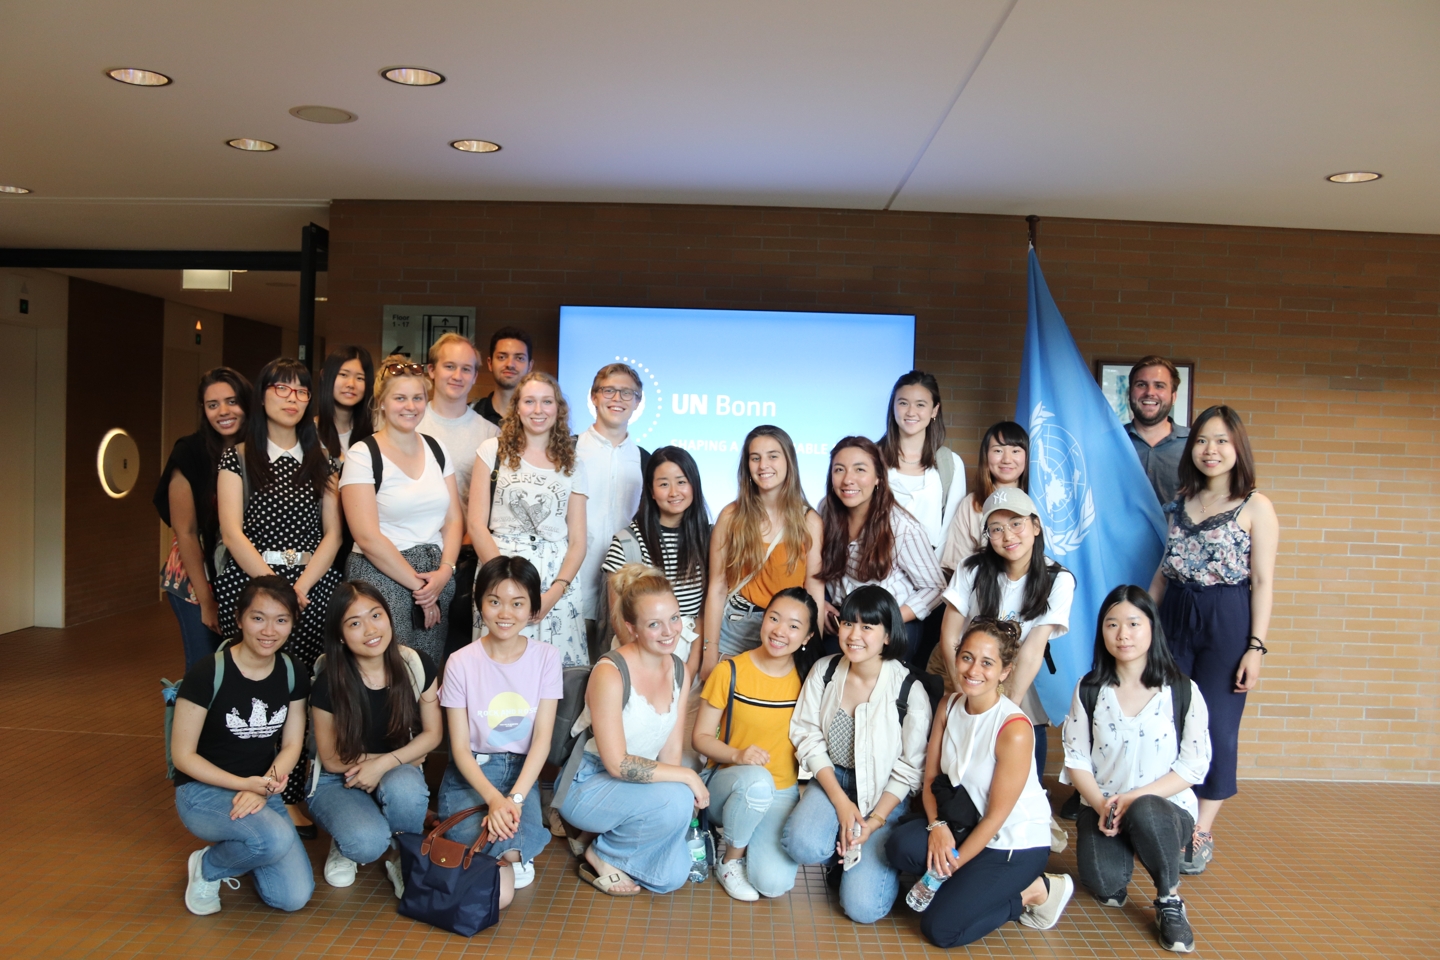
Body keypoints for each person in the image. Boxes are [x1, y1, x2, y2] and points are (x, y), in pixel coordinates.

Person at [887, 619, 1073, 947]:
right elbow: (931, 778)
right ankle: (966, 885)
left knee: (940, 930)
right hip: (962, 822)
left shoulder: (1013, 728)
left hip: (1011, 842)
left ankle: (1034, 892)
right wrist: (937, 827)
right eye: (967, 657)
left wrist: (946, 867)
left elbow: (995, 820)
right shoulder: (950, 704)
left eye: (988, 663)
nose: (974, 670)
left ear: (1004, 671)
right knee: (901, 847)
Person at [213, 358, 343, 820]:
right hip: (253, 588)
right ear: (263, 395)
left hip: (313, 589)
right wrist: (275, 594)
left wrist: (301, 587)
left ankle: (293, 794)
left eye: (301, 391)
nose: (292, 398)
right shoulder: (239, 455)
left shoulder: (324, 457)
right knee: (256, 689)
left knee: (301, 690)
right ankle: (250, 784)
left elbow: (333, 534)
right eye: (282, 389)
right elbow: (231, 532)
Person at [1150, 405, 1277, 875]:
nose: (1211, 449)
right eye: (1202, 440)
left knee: (1217, 725)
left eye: (1221, 440)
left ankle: (1201, 828)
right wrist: (1141, 618)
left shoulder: (1256, 507)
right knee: (1168, 717)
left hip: (1227, 618)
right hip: (1175, 613)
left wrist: (1255, 647)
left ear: (1237, 448)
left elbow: (1262, 581)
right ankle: (1165, 814)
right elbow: (1164, 569)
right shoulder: (1180, 501)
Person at [1062, 585, 1212, 954]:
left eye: (1133, 623)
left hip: (1163, 808)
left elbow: (1193, 766)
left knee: (1145, 810)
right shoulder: (1090, 688)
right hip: (1104, 808)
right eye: (1112, 624)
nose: (1123, 634)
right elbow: (1077, 758)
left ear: (1152, 628)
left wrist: (1132, 798)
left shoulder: (1181, 690)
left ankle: (1169, 898)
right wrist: (1099, 804)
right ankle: (1127, 847)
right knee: (1106, 888)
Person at [782, 585, 930, 924]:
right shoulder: (826, 670)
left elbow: (910, 769)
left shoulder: (909, 689)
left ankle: (866, 857)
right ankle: (841, 844)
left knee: (863, 910)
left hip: (882, 796)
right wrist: (841, 802)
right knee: (801, 844)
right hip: (833, 779)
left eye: (867, 627)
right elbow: (805, 733)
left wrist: (874, 820)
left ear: (889, 635)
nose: (854, 635)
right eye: (848, 623)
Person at [559, 565, 708, 895]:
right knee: (677, 796)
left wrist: (683, 783)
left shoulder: (680, 670)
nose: (669, 631)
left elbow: (670, 753)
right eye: (654, 624)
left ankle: (605, 840)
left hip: (638, 788)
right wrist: (688, 779)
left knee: (671, 877)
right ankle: (601, 852)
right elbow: (617, 764)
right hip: (588, 783)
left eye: (674, 618)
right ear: (632, 627)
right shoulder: (610, 672)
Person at [170, 577, 313, 915]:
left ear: (292, 623)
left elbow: (292, 743)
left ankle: (252, 842)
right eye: (258, 618)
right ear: (239, 619)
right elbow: (183, 756)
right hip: (203, 792)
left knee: (292, 898)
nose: (269, 631)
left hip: (259, 787)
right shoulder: (208, 672)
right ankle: (208, 867)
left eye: (282, 620)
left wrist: (264, 785)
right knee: (273, 839)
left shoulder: (292, 670)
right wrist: (245, 785)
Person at [930, 488, 1073, 785]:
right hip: (964, 663)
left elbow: (1033, 649)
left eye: (1016, 523)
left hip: (1015, 666)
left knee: (1021, 722)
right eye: (996, 529)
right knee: (953, 733)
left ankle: (1026, 793)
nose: (1008, 536)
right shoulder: (972, 568)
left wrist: (1005, 709)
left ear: (1035, 526)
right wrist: (962, 692)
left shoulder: (1058, 579)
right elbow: (949, 634)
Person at [308, 581, 443, 895]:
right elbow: (330, 759)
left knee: (406, 786)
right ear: (340, 635)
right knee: (366, 844)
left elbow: (433, 733)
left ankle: (401, 856)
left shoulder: (415, 664)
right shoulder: (329, 679)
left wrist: (383, 765)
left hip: (396, 770)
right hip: (336, 778)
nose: (370, 630)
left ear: (389, 617)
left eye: (376, 616)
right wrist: (404, 756)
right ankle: (345, 841)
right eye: (354, 623)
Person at [438, 555, 561, 892]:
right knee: (496, 844)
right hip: (472, 772)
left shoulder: (547, 657)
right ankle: (504, 852)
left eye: (517, 603)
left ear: (533, 607)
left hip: (523, 773)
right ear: (480, 604)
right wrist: (494, 800)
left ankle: (506, 851)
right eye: (494, 602)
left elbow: (542, 741)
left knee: (512, 845)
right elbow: (460, 748)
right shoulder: (460, 662)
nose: (505, 614)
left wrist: (515, 799)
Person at [339, 356, 464, 667]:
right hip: (381, 575)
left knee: (426, 669)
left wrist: (445, 572)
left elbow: (453, 519)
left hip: (434, 574)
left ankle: (420, 720)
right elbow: (367, 537)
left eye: (418, 398)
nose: (410, 406)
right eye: (400, 398)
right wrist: (420, 586)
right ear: (381, 402)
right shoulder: (362, 454)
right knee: (387, 670)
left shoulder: (437, 448)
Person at [693, 587, 815, 902]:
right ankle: (730, 860)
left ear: (807, 637)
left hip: (782, 790)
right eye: (773, 618)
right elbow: (701, 738)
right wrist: (737, 754)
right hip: (729, 783)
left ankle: (748, 842)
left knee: (773, 885)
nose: (779, 631)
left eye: (793, 626)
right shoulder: (730, 671)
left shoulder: (808, 681)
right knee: (756, 782)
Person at [469, 371, 590, 666]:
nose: (538, 410)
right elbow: (475, 524)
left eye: (547, 401)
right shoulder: (492, 451)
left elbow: (577, 540)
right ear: (517, 407)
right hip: (499, 567)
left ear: (558, 409)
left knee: (556, 676)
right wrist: (502, 583)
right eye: (530, 401)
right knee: (497, 667)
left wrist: (553, 594)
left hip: (554, 579)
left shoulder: (573, 463)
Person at [702, 425, 824, 679]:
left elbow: (814, 591)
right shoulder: (731, 516)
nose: (763, 465)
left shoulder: (809, 521)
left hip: (786, 634)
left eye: (773, 456)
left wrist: (816, 651)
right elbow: (717, 587)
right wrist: (709, 651)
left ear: (789, 461)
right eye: (755, 458)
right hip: (736, 628)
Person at [155, 366, 251, 670]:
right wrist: (207, 601)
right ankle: (184, 718)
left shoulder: (260, 452)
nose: (223, 411)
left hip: (240, 573)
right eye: (213, 405)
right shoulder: (190, 451)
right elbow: (185, 531)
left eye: (232, 401)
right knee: (204, 667)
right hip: (195, 578)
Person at [819, 436, 945, 665]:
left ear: (878, 477)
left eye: (860, 470)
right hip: (843, 622)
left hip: (893, 624)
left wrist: (888, 619)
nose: (848, 479)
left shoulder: (902, 527)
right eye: (839, 470)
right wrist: (822, 604)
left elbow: (935, 587)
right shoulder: (826, 510)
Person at [419, 333, 499, 658]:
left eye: (466, 369)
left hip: (465, 560)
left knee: (459, 658)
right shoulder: (408, 421)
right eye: (449, 366)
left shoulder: (490, 434)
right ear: (431, 370)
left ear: (476, 376)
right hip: (414, 555)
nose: (457, 375)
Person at [600, 445, 710, 666]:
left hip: (690, 656)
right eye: (663, 484)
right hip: (639, 656)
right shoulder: (627, 543)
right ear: (650, 490)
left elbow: (703, 613)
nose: (674, 492)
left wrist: (691, 667)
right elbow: (620, 619)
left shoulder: (708, 539)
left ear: (694, 485)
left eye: (681, 481)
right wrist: (649, 667)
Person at [576, 363, 646, 661]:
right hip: (570, 591)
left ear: (637, 401)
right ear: (594, 397)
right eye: (608, 390)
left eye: (627, 392)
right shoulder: (568, 451)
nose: (617, 398)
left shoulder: (647, 461)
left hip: (620, 596)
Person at [940, 421, 1029, 574]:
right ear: (986, 455)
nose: (1007, 459)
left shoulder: (1041, 499)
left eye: (1015, 451)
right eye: (998, 451)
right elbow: (958, 566)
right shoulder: (972, 504)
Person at [1125, 356, 1190, 505]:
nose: (1150, 392)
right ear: (1130, 394)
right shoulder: (1108, 443)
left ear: (1173, 397)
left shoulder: (1194, 445)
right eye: (1141, 385)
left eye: (1159, 386)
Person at [315, 346, 375, 460]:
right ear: (324, 375)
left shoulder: (375, 436)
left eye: (360, 378)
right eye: (343, 375)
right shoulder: (308, 432)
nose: (351, 384)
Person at [471, 326, 534, 425]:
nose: (510, 364)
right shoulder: (471, 413)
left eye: (519, 358)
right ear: (490, 363)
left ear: (530, 366)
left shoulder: (538, 417)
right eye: (502, 357)